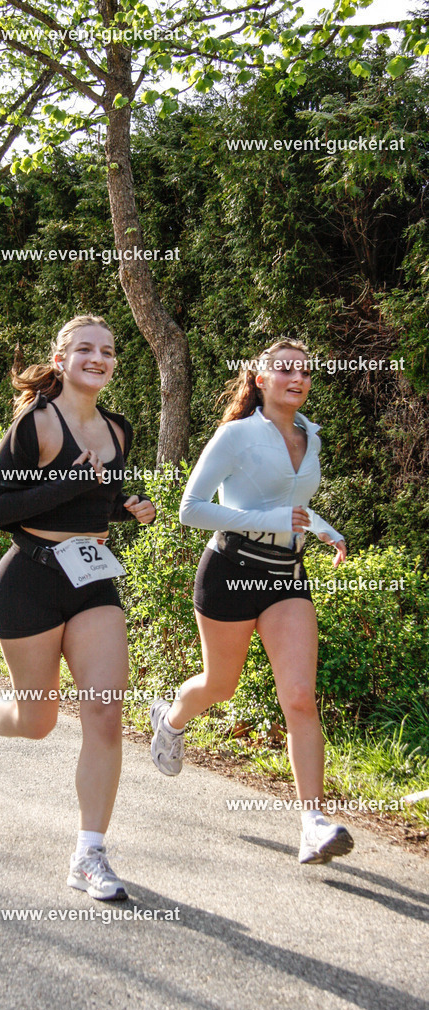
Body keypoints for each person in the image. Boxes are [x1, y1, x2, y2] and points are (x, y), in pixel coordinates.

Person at [0, 314, 156, 900]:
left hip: (92, 580)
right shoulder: (37, 420)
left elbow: (97, 492)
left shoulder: (118, 430)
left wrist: (126, 506)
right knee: (38, 721)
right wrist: (72, 484)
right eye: (86, 350)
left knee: (104, 712)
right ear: (62, 357)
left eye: (108, 351)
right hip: (31, 577)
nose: (98, 358)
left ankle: (89, 854)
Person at [149, 337, 354, 865]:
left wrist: (324, 527)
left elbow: (293, 503)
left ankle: (312, 822)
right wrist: (268, 522)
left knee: (301, 698)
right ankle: (171, 720)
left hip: (288, 575)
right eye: (284, 370)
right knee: (222, 684)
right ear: (260, 379)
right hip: (231, 570)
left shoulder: (311, 435)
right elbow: (190, 509)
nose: (298, 378)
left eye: (305, 372)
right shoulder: (234, 435)